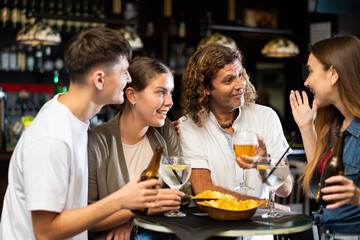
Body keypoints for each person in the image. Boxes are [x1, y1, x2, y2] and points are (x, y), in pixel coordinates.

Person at [0, 27, 162, 239]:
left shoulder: (72, 116)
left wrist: (126, 213)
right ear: (99, 80)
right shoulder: (53, 137)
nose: (129, 79)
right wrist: (121, 200)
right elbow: (45, 232)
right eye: (124, 72)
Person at [179, 43, 293, 203]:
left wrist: (264, 163)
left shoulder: (266, 116)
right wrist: (260, 205)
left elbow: (285, 189)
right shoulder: (188, 126)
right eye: (228, 80)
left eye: (240, 75)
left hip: (259, 226)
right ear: (206, 87)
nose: (240, 84)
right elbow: (203, 190)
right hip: (215, 225)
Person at [87, 57, 186, 240]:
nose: (170, 102)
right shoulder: (97, 140)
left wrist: (131, 216)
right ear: (132, 95)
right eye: (160, 92)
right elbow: (87, 221)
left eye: (170, 93)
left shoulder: (164, 130)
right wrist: (133, 212)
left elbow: (181, 192)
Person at [289, 35, 360, 238]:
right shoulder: (339, 126)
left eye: (310, 71)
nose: (306, 81)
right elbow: (321, 190)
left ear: (333, 74)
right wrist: (305, 127)